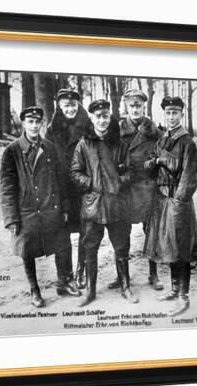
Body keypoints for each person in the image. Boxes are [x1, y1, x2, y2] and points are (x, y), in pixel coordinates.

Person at [0, 106, 81, 308]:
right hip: (26, 211)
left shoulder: (50, 148)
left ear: (42, 124)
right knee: (27, 251)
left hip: (50, 208)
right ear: (23, 124)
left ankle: (65, 282)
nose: (34, 126)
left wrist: (64, 207)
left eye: (38, 122)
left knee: (63, 245)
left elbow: (61, 180)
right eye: (30, 122)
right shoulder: (12, 151)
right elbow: (7, 187)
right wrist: (11, 218)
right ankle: (34, 289)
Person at [71, 99, 138, 307]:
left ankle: (125, 286)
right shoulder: (83, 144)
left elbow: (130, 170)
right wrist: (91, 183)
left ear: (110, 117)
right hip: (93, 206)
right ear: (91, 118)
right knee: (90, 248)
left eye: (105, 116)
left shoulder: (120, 143)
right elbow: (74, 172)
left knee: (121, 247)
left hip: (117, 204)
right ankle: (90, 291)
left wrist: (119, 181)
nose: (102, 120)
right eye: (98, 116)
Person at [143, 96, 197, 316]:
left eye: (175, 113)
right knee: (169, 247)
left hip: (178, 202)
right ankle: (174, 289)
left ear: (181, 115)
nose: (171, 117)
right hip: (161, 201)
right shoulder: (161, 140)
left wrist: (179, 201)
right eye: (167, 113)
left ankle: (183, 297)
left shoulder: (187, 142)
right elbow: (147, 166)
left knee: (181, 250)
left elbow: (189, 177)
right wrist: (157, 161)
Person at [107, 88, 164, 291]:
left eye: (139, 105)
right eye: (132, 105)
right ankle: (122, 276)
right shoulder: (116, 129)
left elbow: (162, 158)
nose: (135, 109)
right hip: (124, 189)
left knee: (152, 233)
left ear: (144, 107)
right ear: (126, 107)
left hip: (148, 188)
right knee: (121, 234)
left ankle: (153, 274)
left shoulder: (154, 131)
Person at [46, 89, 90, 290]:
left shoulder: (88, 125)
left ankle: (82, 271)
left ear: (78, 105)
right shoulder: (51, 129)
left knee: (86, 232)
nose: (70, 109)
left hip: (83, 188)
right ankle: (64, 277)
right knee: (61, 235)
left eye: (73, 105)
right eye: (66, 106)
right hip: (61, 189)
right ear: (59, 107)